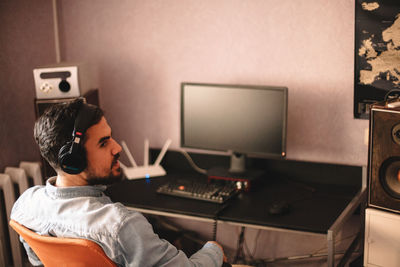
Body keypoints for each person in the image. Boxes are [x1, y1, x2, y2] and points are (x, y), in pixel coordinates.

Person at [11, 98, 227, 266]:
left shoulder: (25, 205)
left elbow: (38, 261)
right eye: (104, 143)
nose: (118, 148)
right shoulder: (121, 225)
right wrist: (214, 250)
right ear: (73, 161)